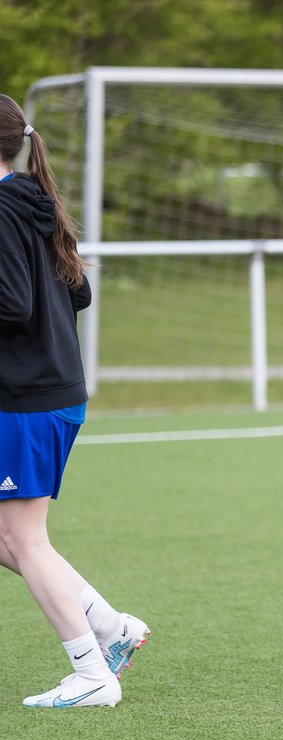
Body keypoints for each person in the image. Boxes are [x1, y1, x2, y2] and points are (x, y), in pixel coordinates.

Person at [0, 94, 150, 708]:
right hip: (46, 394)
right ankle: (113, 629)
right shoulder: (34, 199)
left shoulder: (7, 205)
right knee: (11, 538)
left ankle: (92, 675)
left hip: (29, 399)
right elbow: (78, 292)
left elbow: (12, 304)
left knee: (25, 540)